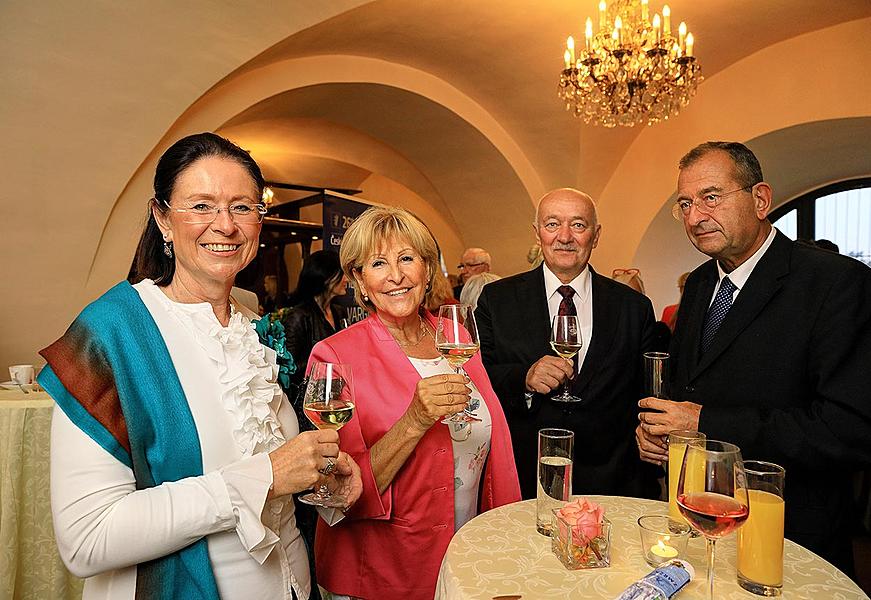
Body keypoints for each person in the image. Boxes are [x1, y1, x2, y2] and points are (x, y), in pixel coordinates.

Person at [38, 132, 362, 600]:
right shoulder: (111, 332)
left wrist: (314, 477)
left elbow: (270, 482)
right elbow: (87, 539)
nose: (225, 225)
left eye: (242, 207)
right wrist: (264, 476)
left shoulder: (253, 329)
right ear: (162, 219)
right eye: (201, 206)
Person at [635, 141, 871, 574]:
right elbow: (690, 387)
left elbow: (848, 429)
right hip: (700, 527)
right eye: (684, 204)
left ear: (760, 199)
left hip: (792, 539)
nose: (694, 216)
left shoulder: (834, 283)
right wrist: (662, 433)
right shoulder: (701, 284)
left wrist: (703, 423)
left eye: (711, 197)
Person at [307, 205, 520, 599]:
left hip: (467, 552)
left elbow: (497, 442)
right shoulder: (334, 356)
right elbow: (341, 491)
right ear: (359, 278)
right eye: (377, 263)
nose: (396, 276)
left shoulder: (455, 335)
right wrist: (415, 419)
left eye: (407, 258)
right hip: (383, 569)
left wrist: (506, 532)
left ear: (426, 269)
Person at [476, 188, 658, 500]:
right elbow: (477, 377)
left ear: (595, 235)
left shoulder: (633, 307)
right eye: (552, 225)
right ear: (537, 234)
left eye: (578, 225)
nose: (564, 237)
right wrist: (524, 378)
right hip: (524, 481)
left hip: (612, 486)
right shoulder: (498, 300)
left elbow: (647, 394)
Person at [281, 249, 348, 390]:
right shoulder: (298, 317)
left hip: (337, 393)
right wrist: (325, 362)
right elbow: (289, 368)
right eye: (341, 274)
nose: (346, 279)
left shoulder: (339, 312)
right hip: (310, 400)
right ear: (325, 277)